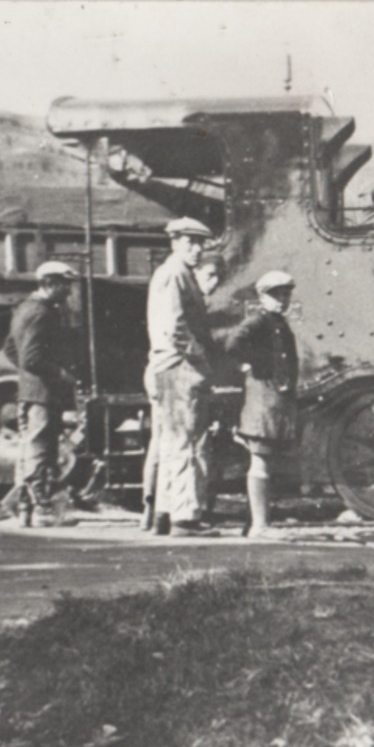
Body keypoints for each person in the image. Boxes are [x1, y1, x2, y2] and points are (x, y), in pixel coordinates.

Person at [142, 217, 220, 536]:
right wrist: (201, 360)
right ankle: (185, 518)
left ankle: (163, 514)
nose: (197, 248)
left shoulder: (172, 273)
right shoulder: (176, 274)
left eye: (200, 243)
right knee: (185, 443)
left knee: (172, 442)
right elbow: (176, 329)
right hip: (179, 367)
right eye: (190, 241)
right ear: (174, 242)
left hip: (168, 366)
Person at [221, 270, 300, 539]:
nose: (281, 299)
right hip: (263, 402)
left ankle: (259, 523)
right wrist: (254, 363)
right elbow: (232, 343)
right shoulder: (259, 321)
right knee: (260, 461)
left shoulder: (275, 322)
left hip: (271, 402)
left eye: (285, 294)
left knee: (264, 461)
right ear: (262, 297)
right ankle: (260, 526)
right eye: (275, 295)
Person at [4, 260, 80, 527]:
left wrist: (28, 377)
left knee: (29, 448)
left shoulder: (24, 309)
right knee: (40, 450)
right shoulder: (42, 313)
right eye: (64, 285)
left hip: (30, 391)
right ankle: (42, 510)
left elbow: (11, 351)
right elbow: (31, 358)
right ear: (49, 283)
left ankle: (25, 510)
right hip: (42, 395)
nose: (68, 291)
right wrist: (61, 375)